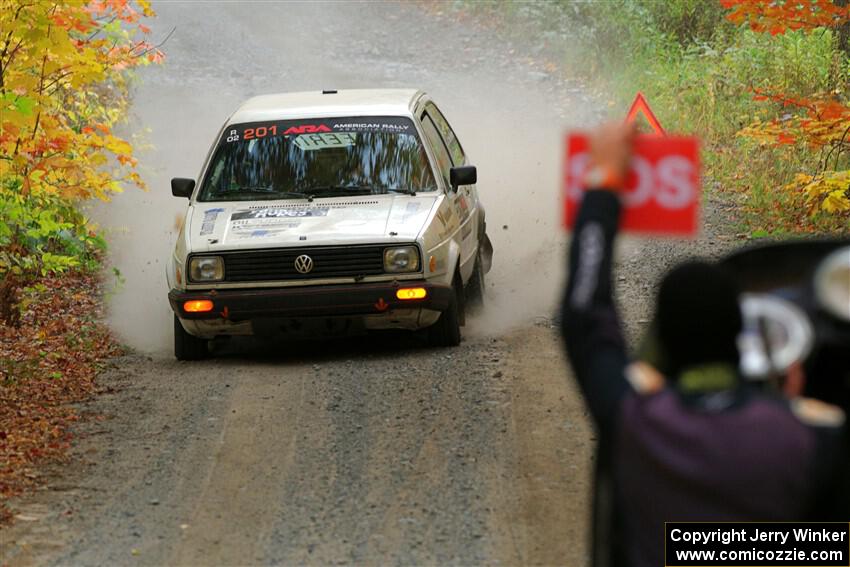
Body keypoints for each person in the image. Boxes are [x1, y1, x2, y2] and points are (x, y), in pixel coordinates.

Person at [560, 123, 848, 567]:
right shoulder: (808, 441)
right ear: (740, 337)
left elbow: (584, 313)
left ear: (663, 351)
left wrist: (603, 183)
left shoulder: (636, 423)